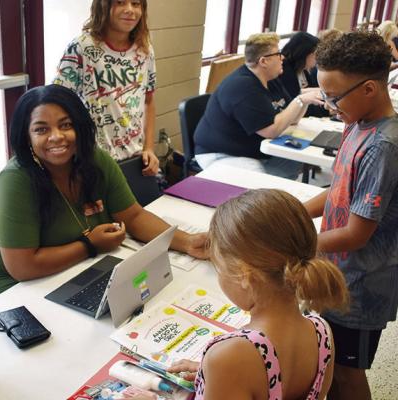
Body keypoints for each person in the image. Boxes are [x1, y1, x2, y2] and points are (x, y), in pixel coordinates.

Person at [0, 85, 207, 295]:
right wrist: (89, 245)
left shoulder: (94, 159)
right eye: (41, 129)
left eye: (66, 125)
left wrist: (187, 242)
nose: (56, 136)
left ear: (79, 127)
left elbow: (133, 216)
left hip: (83, 270)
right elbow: (22, 267)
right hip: (20, 289)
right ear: (27, 137)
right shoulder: (16, 179)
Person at [168, 189, 349, 399]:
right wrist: (211, 374)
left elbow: (246, 368)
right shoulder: (322, 332)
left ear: (244, 275)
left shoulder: (229, 356)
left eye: (219, 267)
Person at [304, 31, 398, 400]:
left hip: (361, 285)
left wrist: (295, 243)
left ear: (370, 89)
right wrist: (294, 212)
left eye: (333, 95)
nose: (328, 103)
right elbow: (340, 189)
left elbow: (357, 234)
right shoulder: (356, 122)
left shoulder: (383, 145)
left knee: (347, 372)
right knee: (329, 364)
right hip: (338, 274)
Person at [194, 32, 324, 180]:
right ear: (264, 61)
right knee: (260, 184)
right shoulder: (242, 86)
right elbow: (271, 131)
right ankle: (267, 195)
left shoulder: (270, 78)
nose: (282, 58)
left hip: (251, 150)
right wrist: (299, 100)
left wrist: (304, 101)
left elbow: (291, 119)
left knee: (295, 160)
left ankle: (273, 195)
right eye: (278, 54)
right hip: (221, 154)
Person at [54, 0, 159, 176]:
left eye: (135, 4)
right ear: (103, 7)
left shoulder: (145, 49)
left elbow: (149, 101)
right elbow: (56, 105)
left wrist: (149, 147)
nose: (130, 10)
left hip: (135, 157)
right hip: (93, 160)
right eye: (120, 3)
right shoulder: (81, 47)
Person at [278, 31, 327, 117]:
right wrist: (327, 110)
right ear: (304, 53)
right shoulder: (285, 70)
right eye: (315, 54)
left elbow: (310, 98)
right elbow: (294, 104)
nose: (317, 58)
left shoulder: (303, 69)